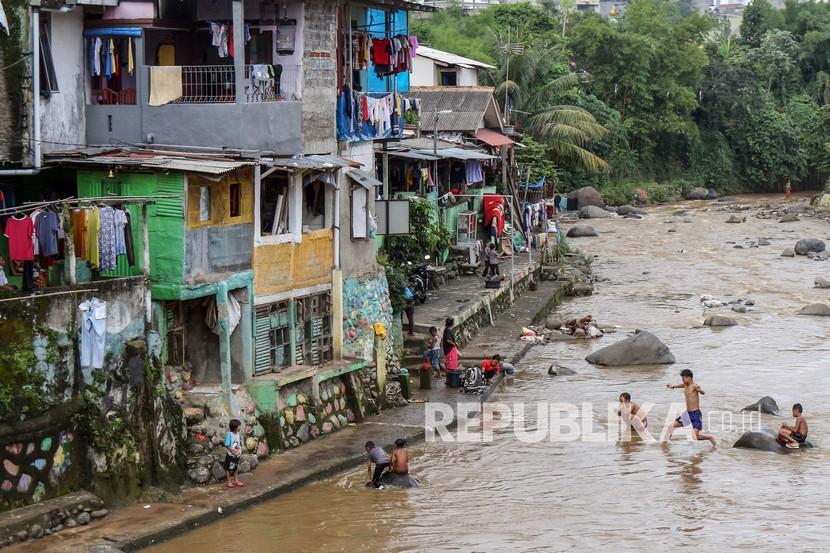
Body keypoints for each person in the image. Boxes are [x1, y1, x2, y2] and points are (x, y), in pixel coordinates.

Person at [665, 369, 716, 446]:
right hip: (687, 414)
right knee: (670, 427)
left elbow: (703, 392)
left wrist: (699, 390)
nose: (682, 380)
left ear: (689, 378)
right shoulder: (685, 385)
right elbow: (681, 385)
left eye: (683, 378)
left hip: (696, 415)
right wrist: (673, 386)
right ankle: (665, 444)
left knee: (695, 437)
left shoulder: (694, 386)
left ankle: (710, 438)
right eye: (682, 378)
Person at [224, 419, 244, 488]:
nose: (240, 427)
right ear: (235, 427)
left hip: (236, 455)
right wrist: (233, 452)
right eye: (239, 426)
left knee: (235, 468)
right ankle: (229, 482)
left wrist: (238, 452)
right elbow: (227, 445)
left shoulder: (238, 434)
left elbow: (237, 443)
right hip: (231, 455)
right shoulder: (229, 434)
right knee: (228, 468)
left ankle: (236, 481)